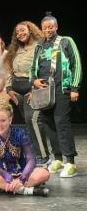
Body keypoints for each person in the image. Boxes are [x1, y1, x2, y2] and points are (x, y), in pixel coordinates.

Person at [30, 12, 82, 178]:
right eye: (45, 27)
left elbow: (77, 64)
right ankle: (58, 159)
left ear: (56, 27)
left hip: (62, 89)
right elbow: (32, 69)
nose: (48, 30)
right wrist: (34, 81)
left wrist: (75, 87)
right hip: (44, 92)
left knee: (62, 124)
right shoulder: (39, 45)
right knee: (48, 124)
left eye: (51, 27)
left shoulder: (66, 41)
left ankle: (70, 162)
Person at [0, 94, 50, 196]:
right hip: (1, 174)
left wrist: (22, 179)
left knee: (44, 173)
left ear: (10, 119)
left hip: (23, 173)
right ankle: (22, 190)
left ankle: (8, 188)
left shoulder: (20, 133)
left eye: (3, 121)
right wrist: (7, 177)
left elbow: (31, 159)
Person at [3, 21, 49, 164]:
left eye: (23, 30)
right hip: (18, 92)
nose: (20, 34)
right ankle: (37, 154)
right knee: (29, 124)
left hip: (32, 90)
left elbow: (44, 69)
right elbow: (10, 70)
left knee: (33, 120)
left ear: (30, 30)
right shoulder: (16, 49)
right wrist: (9, 89)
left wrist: (35, 89)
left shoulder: (40, 46)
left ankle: (44, 156)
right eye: (17, 32)